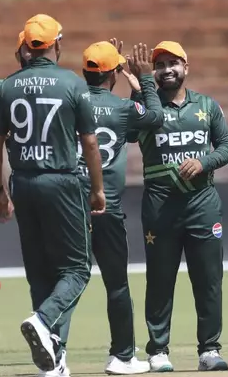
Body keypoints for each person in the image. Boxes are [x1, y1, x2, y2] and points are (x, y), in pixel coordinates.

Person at [0, 14, 105, 376]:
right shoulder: (72, 84)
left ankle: (54, 355)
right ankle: (44, 322)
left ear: (25, 47)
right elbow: (89, 142)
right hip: (61, 181)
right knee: (77, 269)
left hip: (23, 182)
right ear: (57, 44)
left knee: (39, 272)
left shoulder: (6, 86)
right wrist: (97, 189)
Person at [127, 41, 228, 372]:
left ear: (186, 67)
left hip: (202, 204)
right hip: (161, 207)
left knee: (209, 279)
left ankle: (209, 350)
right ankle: (158, 351)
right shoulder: (146, 105)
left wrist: (204, 162)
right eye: (159, 65)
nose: (167, 69)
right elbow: (131, 132)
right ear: (153, 72)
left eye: (174, 63)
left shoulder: (206, 105)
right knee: (160, 280)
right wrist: (138, 91)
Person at [77, 39, 165, 374]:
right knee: (116, 283)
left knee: (67, 278)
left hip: (70, 204)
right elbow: (153, 117)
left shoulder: (71, 101)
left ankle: (54, 352)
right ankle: (123, 356)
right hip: (106, 205)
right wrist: (142, 80)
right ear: (113, 72)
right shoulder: (121, 108)